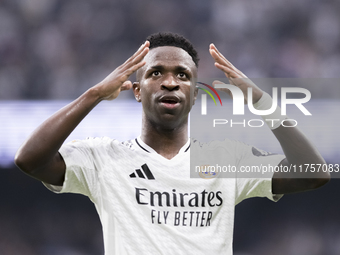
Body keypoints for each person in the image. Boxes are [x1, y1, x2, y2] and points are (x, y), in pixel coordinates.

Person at [15, 32, 330, 254]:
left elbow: (313, 173)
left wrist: (262, 102)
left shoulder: (227, 158)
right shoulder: (105, 159)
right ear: (137, 91)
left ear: (194, 94)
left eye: (182, 74)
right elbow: (30, 159)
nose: (169, 82)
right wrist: (94, 94)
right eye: (155, 73)